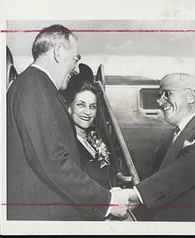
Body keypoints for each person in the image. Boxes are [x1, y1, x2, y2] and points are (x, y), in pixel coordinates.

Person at [7, 24, 129, 220]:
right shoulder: (34, 88)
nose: (77, 69)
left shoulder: (38, 86)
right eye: (75, 59)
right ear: (57, 52)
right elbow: (53, 162)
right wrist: (107, 201)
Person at [125, 73, 195, 222]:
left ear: (190, 96)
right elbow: (159, 194)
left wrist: (136, 194)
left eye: (167, 94)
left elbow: (192, 165)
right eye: (159, 96)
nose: (159, 101)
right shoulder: (162, 147)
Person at [63, 74, 112, 189]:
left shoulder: (94, 141)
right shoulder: (66, 145)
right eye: (81, 105)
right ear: (69, 108)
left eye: (92, 107)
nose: (88, 112)